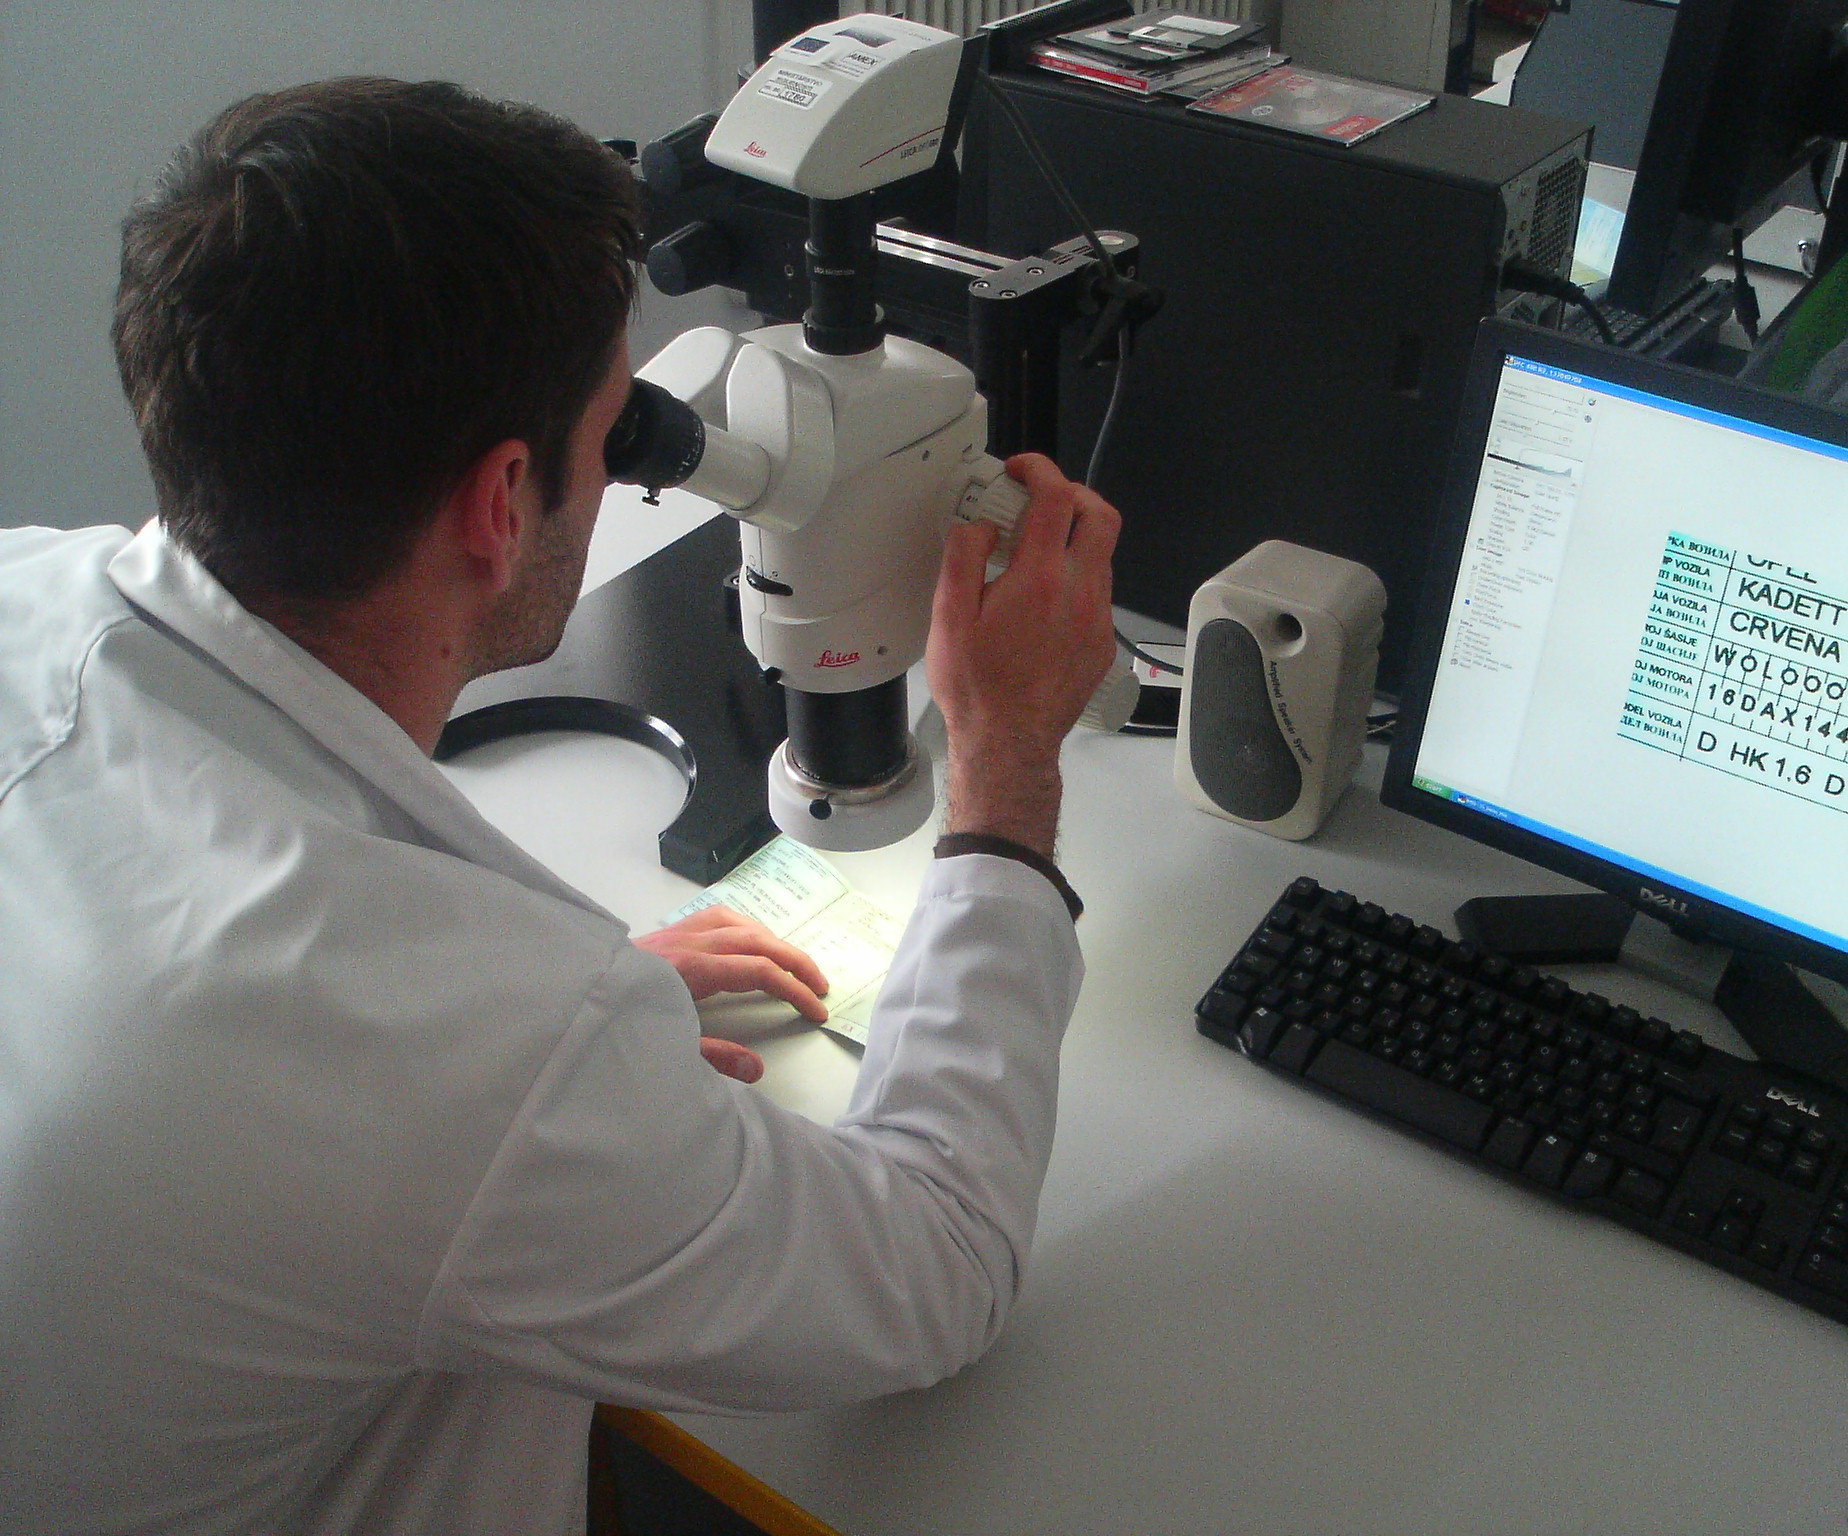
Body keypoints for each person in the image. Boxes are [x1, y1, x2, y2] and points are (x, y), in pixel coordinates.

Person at [0, 77, 1119, 1533]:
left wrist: (540, 1040)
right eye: (618, 428)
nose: (630, 463)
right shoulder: (433, 1041)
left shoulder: (25, 593)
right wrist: (1007, 759)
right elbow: (936, 1268)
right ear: (499, 501)